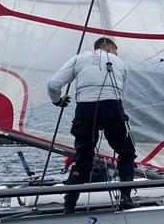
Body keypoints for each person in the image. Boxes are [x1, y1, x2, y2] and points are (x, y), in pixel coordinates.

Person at [47, 37, 136, 213]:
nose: (115, 55)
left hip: (86, 110)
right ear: (110, 48)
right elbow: (123, 96)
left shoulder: (79, 58)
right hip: (113, 107)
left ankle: (69, 206)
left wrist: (58, 101)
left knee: (83, 159)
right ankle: (126, 198)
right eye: (115, 51)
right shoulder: (121, 63)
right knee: (126, 153)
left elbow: (53, 84)